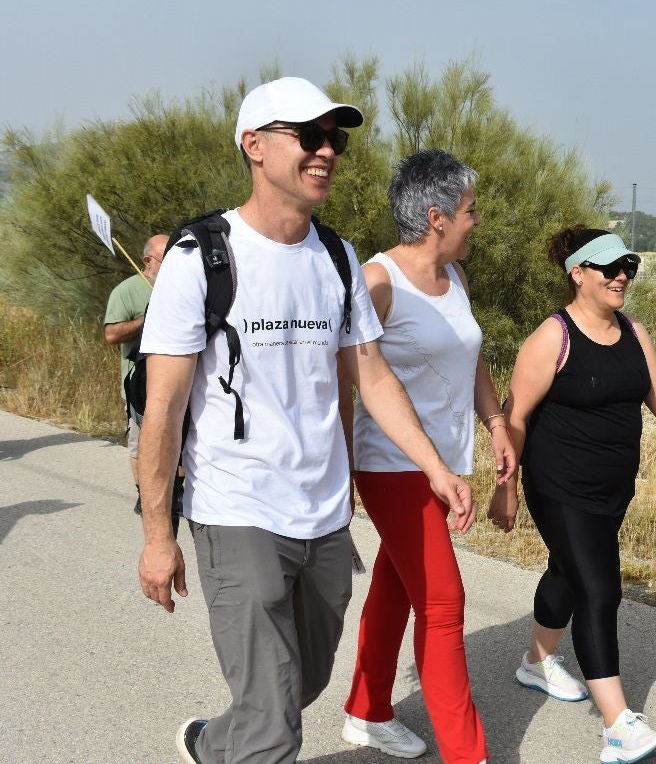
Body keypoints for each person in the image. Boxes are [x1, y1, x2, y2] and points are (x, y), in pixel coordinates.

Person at [135, 76, 473, 764]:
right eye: (309, 136)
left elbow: (372, 377)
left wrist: (435, 466)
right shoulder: (202, 258)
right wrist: (156, 535)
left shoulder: (338, 259)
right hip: (235, 506)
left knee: (302, 682)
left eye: (335, 139)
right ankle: (248, 740)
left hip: (320, 511)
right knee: (274, 729)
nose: (327, 152)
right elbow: (163, 409)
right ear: (254, 146)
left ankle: (213, 742)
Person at [490, 227, 656, 764]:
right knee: (599, 588)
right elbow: (513, 417)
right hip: (559, 485)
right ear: (578, 273)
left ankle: (535, 660)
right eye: (609, 267)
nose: (621, 277)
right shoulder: (553, 336)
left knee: (568, 572)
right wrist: (506, 488)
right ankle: (618, 726)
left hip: (613, 486)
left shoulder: (634, 331)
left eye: (628, 267)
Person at [340, 149, 513, 764]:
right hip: (391, 464)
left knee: (395, 584)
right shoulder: (379, 281)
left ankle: (367, 710)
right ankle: (469, 756)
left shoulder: (454, 278)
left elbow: (471, 358)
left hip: (444, 462)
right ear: (437, 216)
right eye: (470, 210)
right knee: (443, 607)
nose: (477, 220)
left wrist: (495, 423)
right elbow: (349, 373)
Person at [103, 233, 170, 518]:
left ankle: (175, 491)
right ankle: (145, 494)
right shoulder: (126, 291)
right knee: (142, 443)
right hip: (139, 383)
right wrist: (146, 320)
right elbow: (111, 334)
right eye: (168, 257)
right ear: (148, 261)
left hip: (178, 380)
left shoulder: (182, 286)